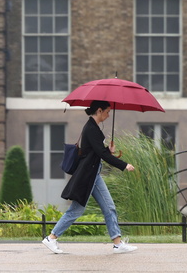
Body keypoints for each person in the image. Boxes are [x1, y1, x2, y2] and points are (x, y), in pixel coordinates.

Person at [41, 100, 138, 254]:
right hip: (87, 176)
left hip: (93, 175)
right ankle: (51, 238)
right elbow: (101, 154)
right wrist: (123, 165)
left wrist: (108, 150)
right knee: (77, 210)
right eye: (107, 112)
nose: (108, 115)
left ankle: (118, 243)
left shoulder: (93, 128)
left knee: (109, 207)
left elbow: (96, 152)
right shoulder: (91, 128)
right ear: (99, 110)